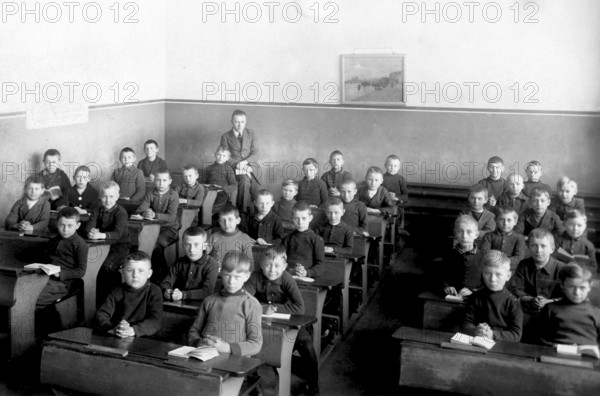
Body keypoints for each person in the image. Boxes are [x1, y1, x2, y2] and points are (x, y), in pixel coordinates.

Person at [244, 246, 320, 394]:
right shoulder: (255, 276)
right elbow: (245, 299)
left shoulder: (287, 279)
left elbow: (299, 308)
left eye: (277, 266)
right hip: (261, 323)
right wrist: (263, 308)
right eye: (268, 265)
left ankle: (313, 385)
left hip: (290, 324)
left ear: (285, 266)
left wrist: (275, 309)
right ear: (261, 264)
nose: (272, 270)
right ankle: (252, 380)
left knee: (307, 346)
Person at [188, 251, 262, 353]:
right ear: (221, 272)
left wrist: (227, 348)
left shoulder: (251, 304)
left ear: (246, 276)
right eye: (227, 275)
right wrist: (200, 342)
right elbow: (193, 331)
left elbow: (255, 344)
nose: (231, 282)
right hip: (204, 355)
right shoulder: (209, 300)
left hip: (235, 361)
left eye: (237, 277)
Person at [35, 207, 88, 334]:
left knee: (33, 299)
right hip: (46, 277)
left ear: (78, 226)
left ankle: (43, 330)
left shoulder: (80, 244)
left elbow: (81, 271)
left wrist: (61, 273)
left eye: (70, 226)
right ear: (57, 224)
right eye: (62, 225)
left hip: (63, 282)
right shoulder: (54, 240)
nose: (65, 229)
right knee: (25, 292)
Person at [95, 251, 163, 338]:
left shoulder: (154, 291)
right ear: (123, 272)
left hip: (143, 338)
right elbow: (101, 315)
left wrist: (133, 330)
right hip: (118, 335)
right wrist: (113, 328)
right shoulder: (116, 291)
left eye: (141, 271)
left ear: (149, 274)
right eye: (130, 270)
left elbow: (155, 321)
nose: (135, 275)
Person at [85, 181, 130, 304]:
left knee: (106, 268)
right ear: (100, 197)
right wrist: (92, 231)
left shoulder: (120, 212)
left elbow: (117, 234)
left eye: (111, 196)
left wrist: (100, 235)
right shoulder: (96, 210)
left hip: (119, 247)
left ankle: (111, 300)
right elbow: (88, 227)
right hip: (100, 245)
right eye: (104, 196)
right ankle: (94, 300)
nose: (107, 200)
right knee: (91, 267)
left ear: (117, 196)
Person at [462, 250, 523, 342]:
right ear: (482, 273)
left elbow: (516, 334)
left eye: (498, 274)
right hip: (477, 342)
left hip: (502, 347)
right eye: (488, 273)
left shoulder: (513, 302)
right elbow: (466, 323)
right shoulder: (475, 297)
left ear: (508, 276)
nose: (492, 279)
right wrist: (476, 331)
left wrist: (493, 334)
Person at [538, 263, 600, 346]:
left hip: (588, 357)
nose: (577, 293)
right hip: (555, 355)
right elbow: (538, 337)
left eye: (582, 288)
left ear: (589, 287)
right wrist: (552, 346)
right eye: (571, 287)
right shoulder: (550, 309)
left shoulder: (597, 313)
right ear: (562, 285)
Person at [136, 169, 179, 280]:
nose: (161, 183)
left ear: (170, 181)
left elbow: (171, 217)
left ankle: (161, 276)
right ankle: (149, 274)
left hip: (169, 229)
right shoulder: (151, 193)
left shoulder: (173, 195)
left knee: (154, 246)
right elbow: (140, 209)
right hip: (153, 228)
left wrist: (155, 215)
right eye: (158, 180)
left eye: (164, 180)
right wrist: (146, 212)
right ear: (154, 181)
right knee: (141, 243)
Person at [508, 228, 565, 312]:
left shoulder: (561, 268)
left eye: (543, 246)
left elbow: (567, 294)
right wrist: (531, 299)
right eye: (534, 245)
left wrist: (549, 301)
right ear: (528, 247)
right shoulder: (523, 265)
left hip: (554, 311)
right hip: (528, 310)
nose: (538, 250)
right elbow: (515, 289)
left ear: (552, 249)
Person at [160, 227, 219, 301]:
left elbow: (207, 292)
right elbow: (166, 281)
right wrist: (166, 290)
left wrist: (183, 295)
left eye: (196, 244)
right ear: (183, 245)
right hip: (179, 303)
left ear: (204, 246)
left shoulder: (212, 264)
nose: (192, 249)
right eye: (188, 245)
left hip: (201, 305)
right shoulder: (179, 262)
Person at [220, 110, 259, 214]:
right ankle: (242, 212)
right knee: (244, 181)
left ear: (245, 121)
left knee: (257, 189)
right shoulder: (226, 137)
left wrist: (245, 162)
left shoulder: (251, 134)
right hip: (233, 168)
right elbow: (225, 156)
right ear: (231, 122)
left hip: (251, 167)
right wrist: (239, 165)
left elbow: (256, 153)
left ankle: (255, 216)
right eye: (236, 121)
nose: (239, 124)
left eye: (242, 121)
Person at [442, 215, 484, 297]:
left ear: (476, 234)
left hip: (476, 298)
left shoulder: (484, 257)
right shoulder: (449, 255)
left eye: (469, 232)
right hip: (453, 297)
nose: (464, 236)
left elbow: (487, 283)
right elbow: (442, 276)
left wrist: (473, 290)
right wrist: (446, 287)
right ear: (455, 233)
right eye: (460, 231)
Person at [282, 201, 325, 278]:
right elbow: (280, 261)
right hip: (288, 276)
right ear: (291, 218)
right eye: (296, 218)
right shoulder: (287, 239)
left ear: (310, 218)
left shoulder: (317, 240)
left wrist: (307, 273)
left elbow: (321, 266)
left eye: (304, 218)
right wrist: (291, 270)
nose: (300, 222)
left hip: (307, 277)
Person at [480, 206, 526, 270]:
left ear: (515, 222)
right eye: (501, 219)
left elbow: (519, 258)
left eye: (509, 220)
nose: (505, 223)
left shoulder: (519, 238)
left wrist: (501, 261)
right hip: (492, 268)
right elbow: (484, 254)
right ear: (496, 220)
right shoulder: (488, 236)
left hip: (511, 269)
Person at [203, 145, 237, 217]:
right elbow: (204, 182)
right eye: (219, 154)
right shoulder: (209, 168)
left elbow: (234, 185)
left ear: (227, 158)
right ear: (215, 154)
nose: (221, 157)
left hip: (221, 193)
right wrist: (205, 187)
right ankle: (205, 218)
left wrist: (224, 189)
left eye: (224, 156)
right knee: (203, 202)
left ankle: (209, 216)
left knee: (215, 205)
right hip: (209, 191)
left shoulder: (228, 169)